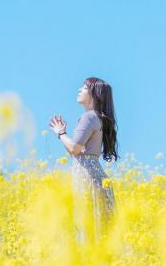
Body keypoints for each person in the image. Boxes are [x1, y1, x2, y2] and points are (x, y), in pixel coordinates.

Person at [49, 77, 119, 242]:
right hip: (96, 175)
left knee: (87, 230)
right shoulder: (98, 118)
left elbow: (74, 148)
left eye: (84, 88)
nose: (79, 90)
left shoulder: (89, 117)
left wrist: (60, 133)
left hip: (87, 176)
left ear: (94, 94)